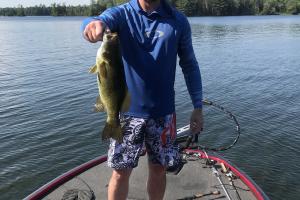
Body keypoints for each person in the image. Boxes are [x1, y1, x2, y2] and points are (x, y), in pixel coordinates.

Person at [81, 0, 203, 199]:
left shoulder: (177, 21)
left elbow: (189, 65)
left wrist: (197, 106)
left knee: (158, 170)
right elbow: (99, 21)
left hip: (163, 113)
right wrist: (92, 25)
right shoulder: (123, 14)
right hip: (127, 114)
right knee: (120, 172)